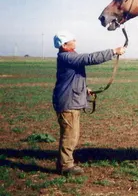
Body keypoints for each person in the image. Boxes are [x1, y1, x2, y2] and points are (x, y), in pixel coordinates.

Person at [52, 30, 126, 175]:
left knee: (72, 134)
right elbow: (90, 58)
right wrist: (113, 51)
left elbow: (72, 78)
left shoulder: (69, 56)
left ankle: (64, 163)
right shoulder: (67, 57)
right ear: (65, 45)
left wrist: (85, 89)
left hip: (70, 101)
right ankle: (65, 166)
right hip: (68, 103)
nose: (75, 40)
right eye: (72, 39)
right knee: (69, 135)